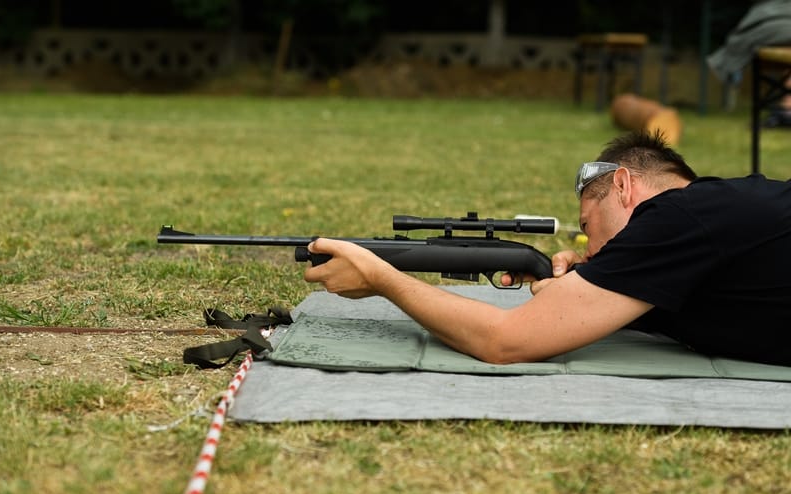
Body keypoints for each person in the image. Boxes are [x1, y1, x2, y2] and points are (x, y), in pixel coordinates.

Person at [304, 131, 791, 366]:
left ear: (624, 186)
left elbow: (502, 341)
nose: (590, 248)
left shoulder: (678, 214)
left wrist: (381, 277)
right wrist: (588, 284)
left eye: (589, 226)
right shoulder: (706, 222)